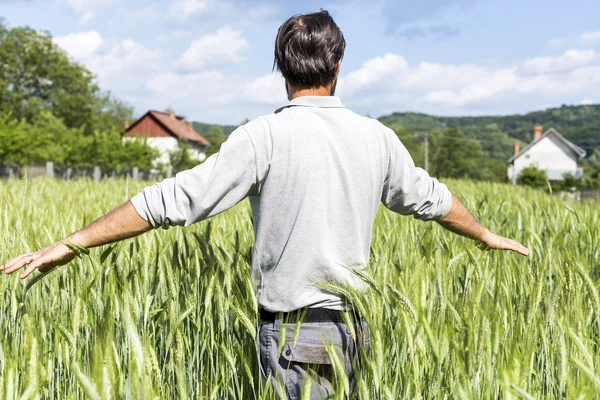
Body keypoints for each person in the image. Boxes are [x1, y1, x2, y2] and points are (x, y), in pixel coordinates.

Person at [1, 10, 529, 400]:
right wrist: (484, 234)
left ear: (281, 67)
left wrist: (70, 244)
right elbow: (433, 200)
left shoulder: (263, 137)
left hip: (294, 331)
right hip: (355, 329)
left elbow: (170, 200)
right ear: (338, 65)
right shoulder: (378, 138)